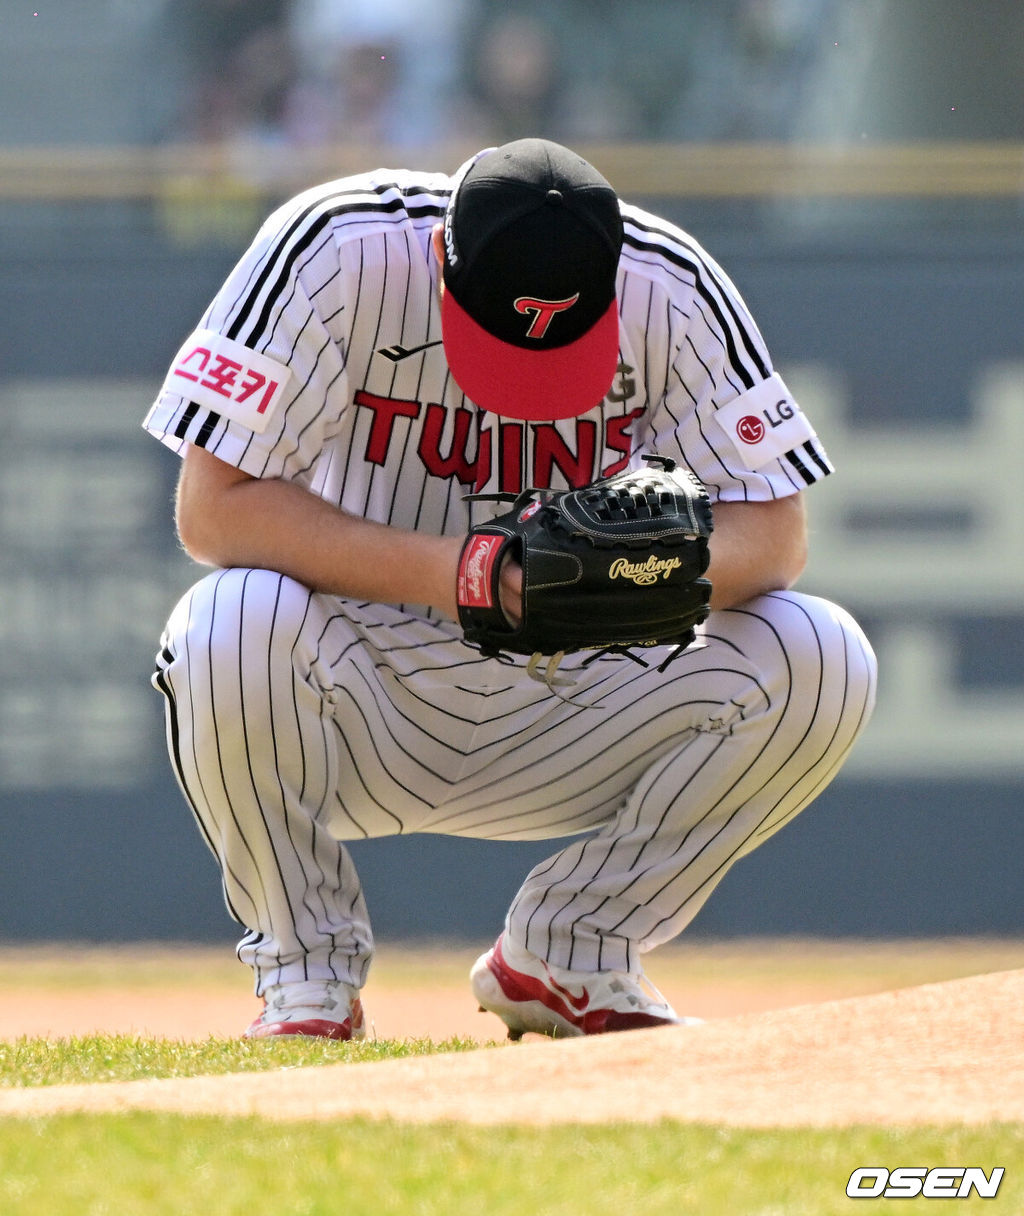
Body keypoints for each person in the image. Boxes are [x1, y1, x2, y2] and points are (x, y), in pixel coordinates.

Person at [144, 138, 877, 1041]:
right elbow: (214, 513)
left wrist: (618, 577)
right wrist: (469, 575)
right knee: (227, 621)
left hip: (573, 688)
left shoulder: (669, 280)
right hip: (363, 685)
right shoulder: (337, 246)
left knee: (822, 653)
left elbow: (775, 536)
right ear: (443, 271)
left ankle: (575, 949)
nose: (531, 381)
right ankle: (307, 976)